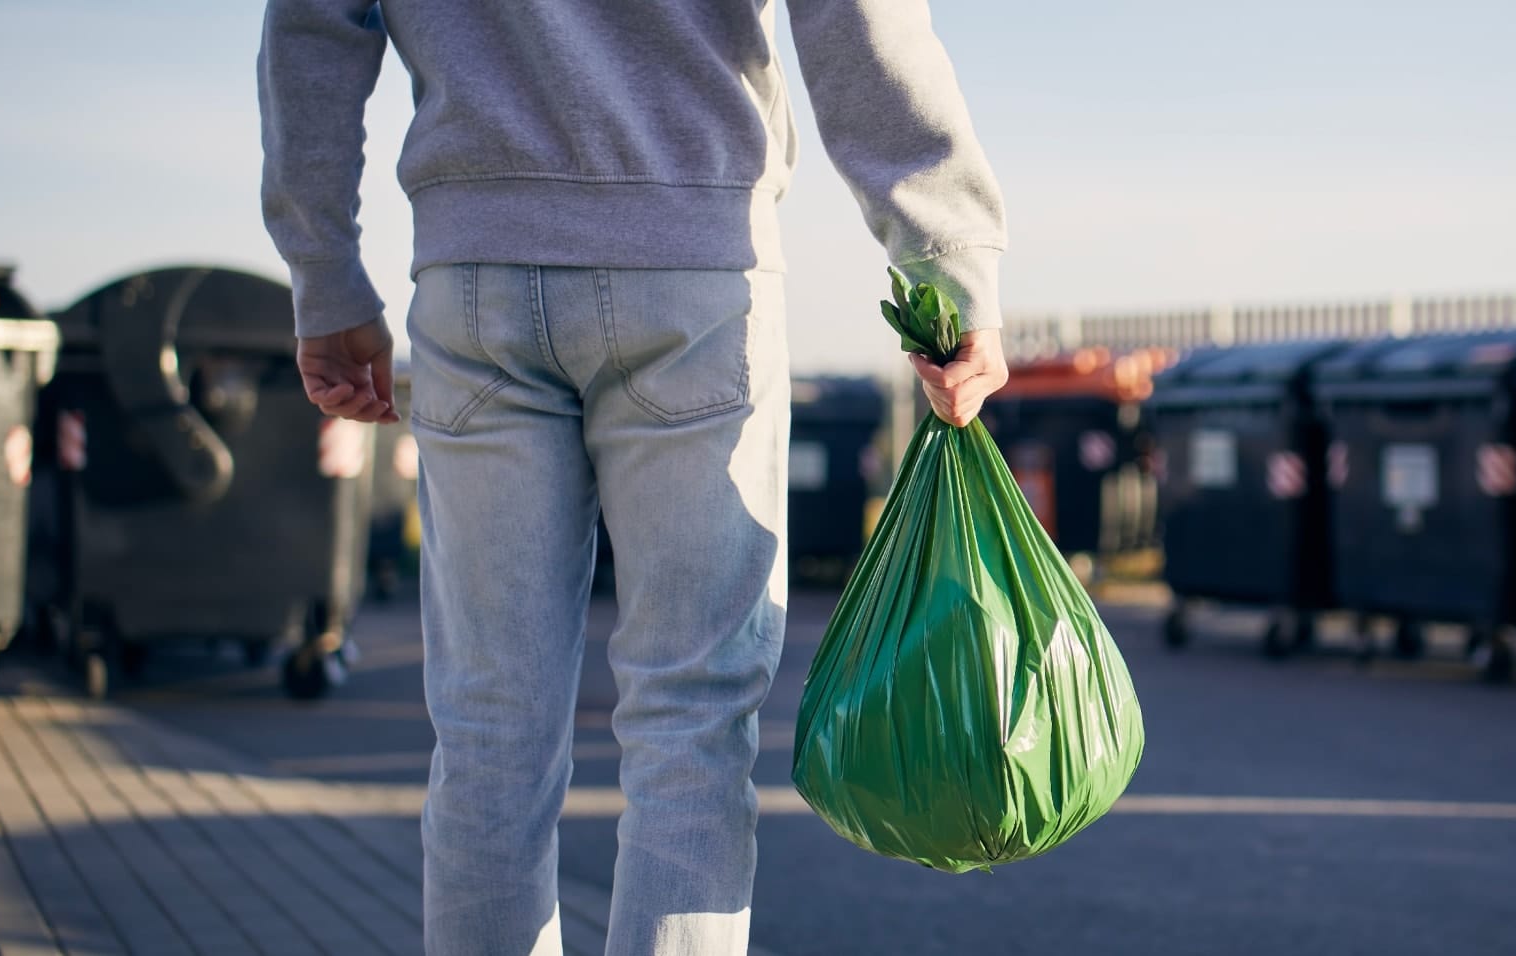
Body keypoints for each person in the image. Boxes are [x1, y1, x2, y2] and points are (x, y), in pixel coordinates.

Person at [258, 2, 1009, 954]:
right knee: (691, 727)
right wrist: (948, 256)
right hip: (693, 268)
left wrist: (323, 275)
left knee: (491, 734)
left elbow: (313, 23)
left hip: (472, 275)